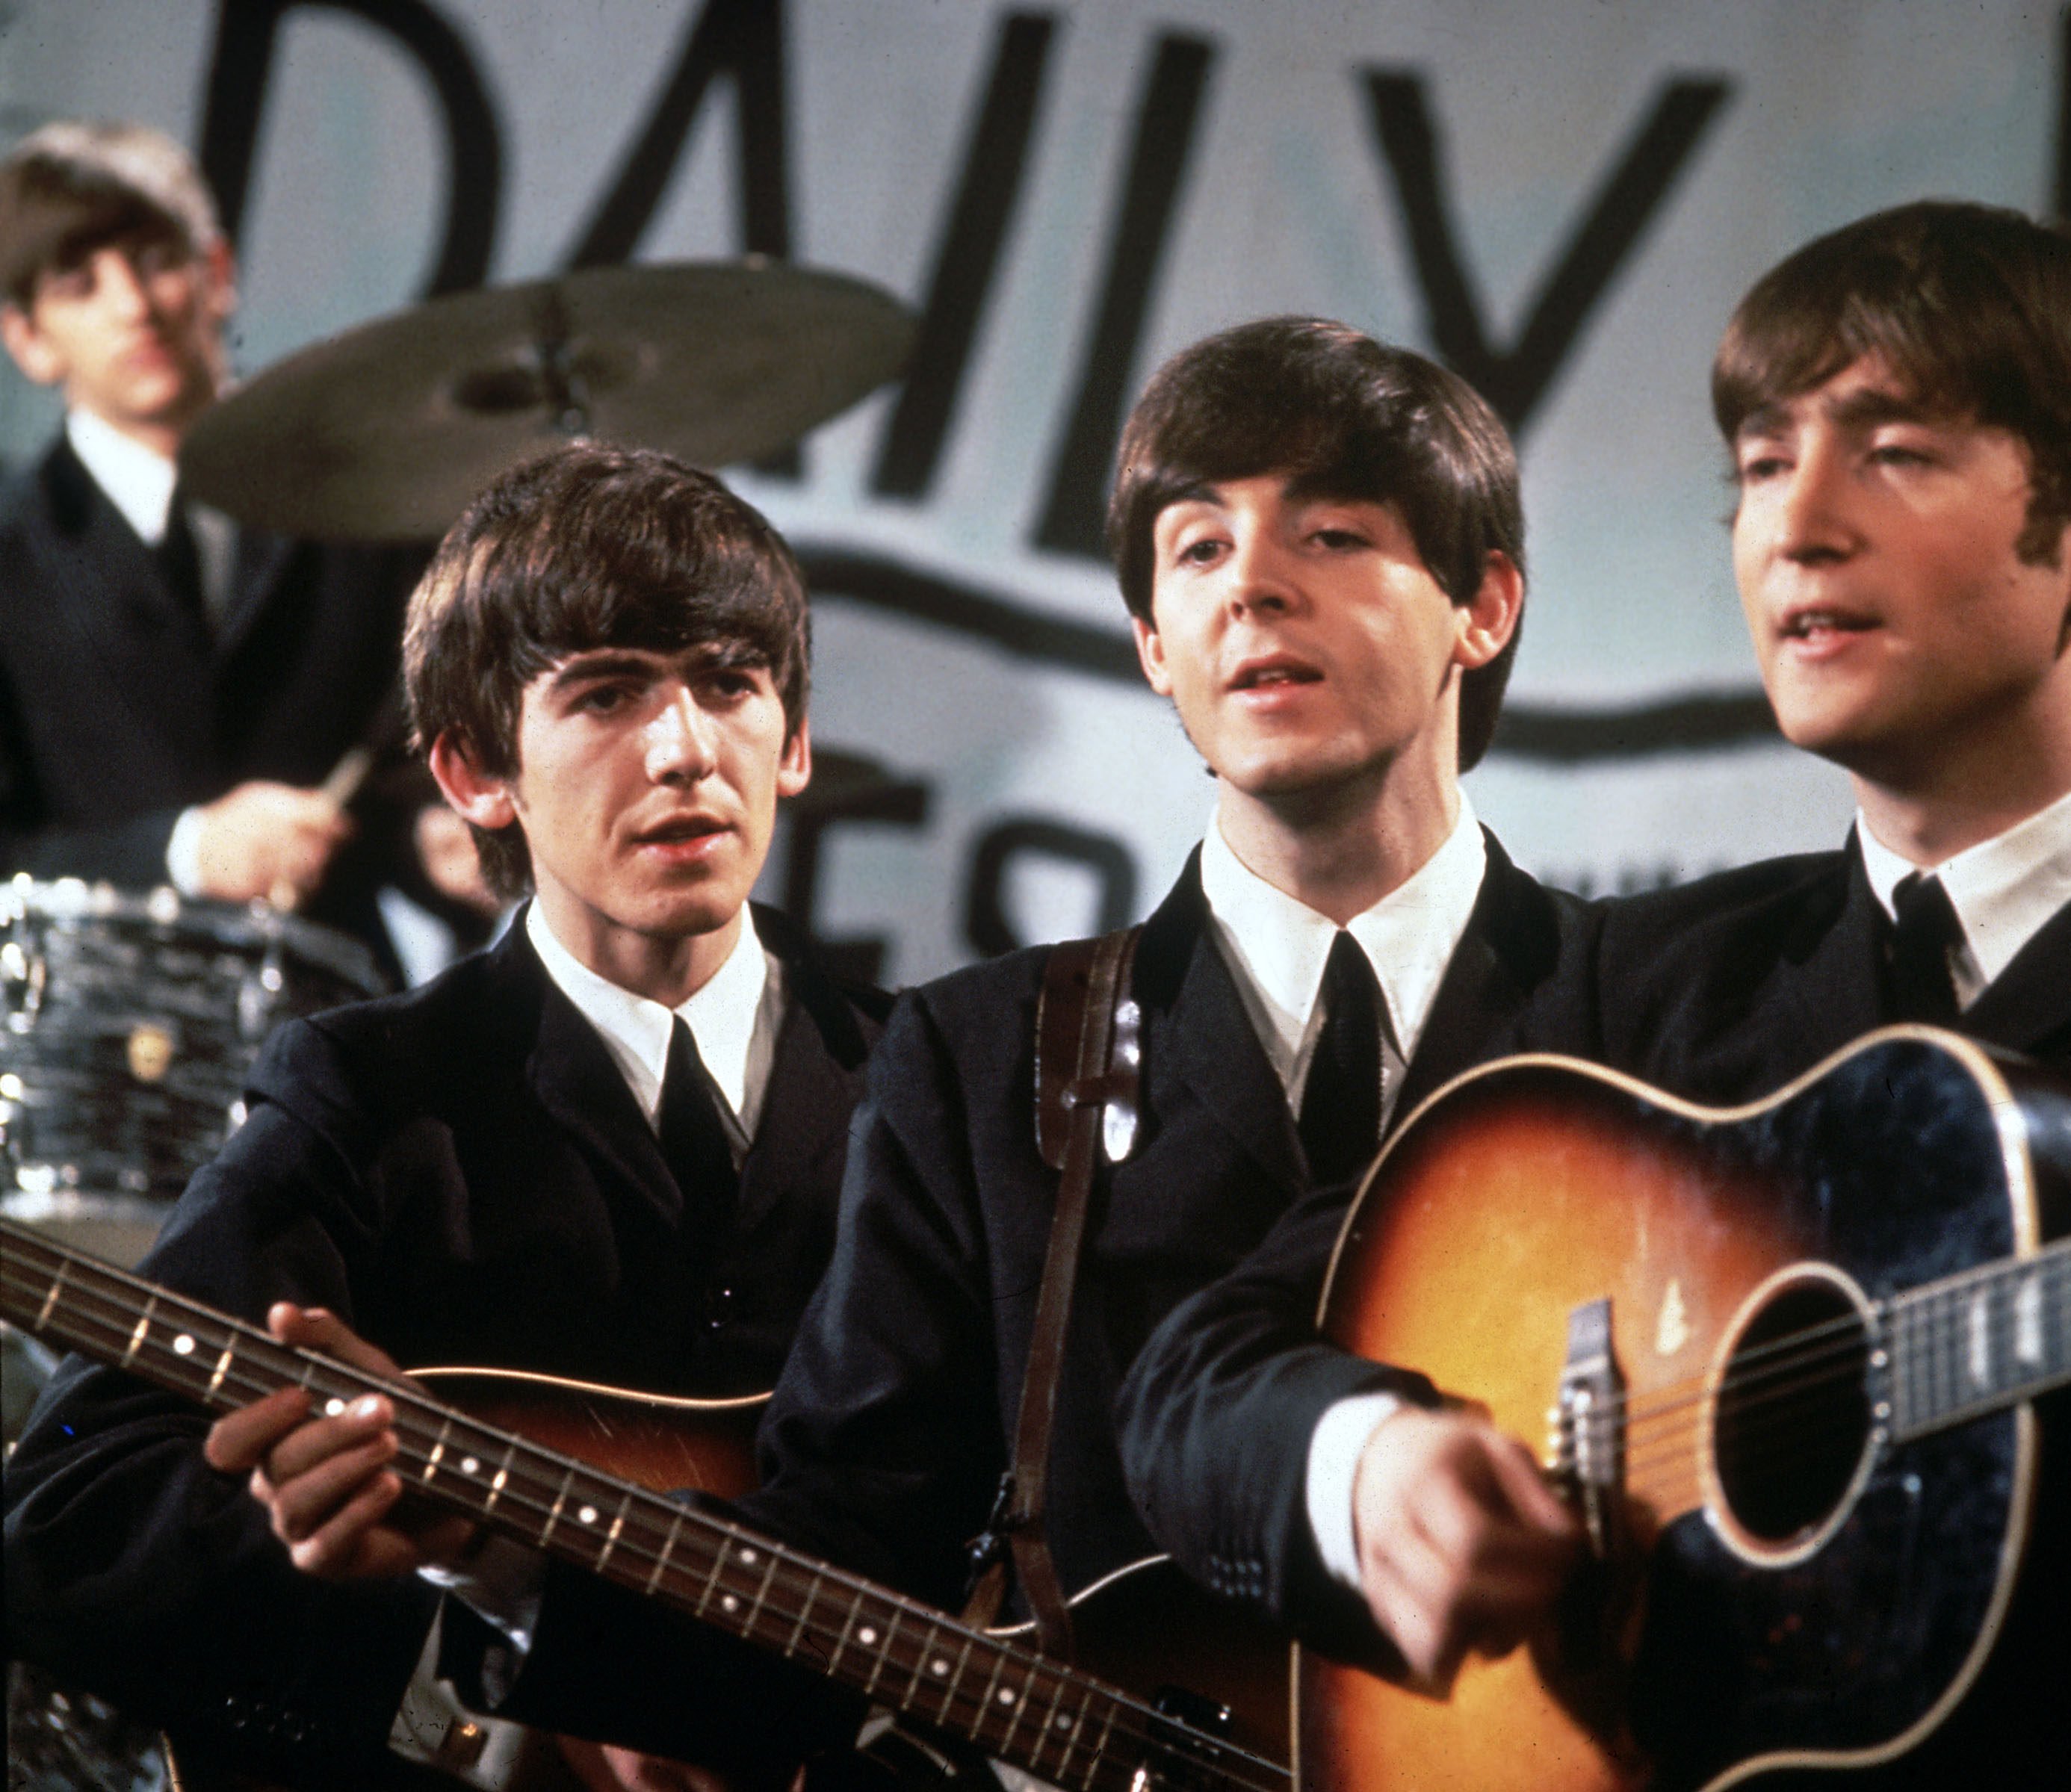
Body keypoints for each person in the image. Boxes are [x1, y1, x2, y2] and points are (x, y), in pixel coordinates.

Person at [212, 317, 1603, 1758]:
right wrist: (492, 1551)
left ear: (1484, 604)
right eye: (1196, 549)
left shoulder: (1655, 1007)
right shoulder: (984, 1055)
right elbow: (836, 1580)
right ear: (1149, 643)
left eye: (1330, 532)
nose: (1252, 584)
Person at [1116, 202, 2071, 1784]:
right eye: (1764, 464)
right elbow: (1198, 1370)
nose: (1798, 526)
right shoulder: (1637, 988)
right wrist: (1370, 1468)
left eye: (1895, 451)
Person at [2, 441, 887, 1789]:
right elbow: (66, 1512)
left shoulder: (933, 1077)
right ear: (474, 771)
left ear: (798, 736)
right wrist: (406, 1570)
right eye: (606, 694)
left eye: (729, 681)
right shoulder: (367, 1092)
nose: (687, 747)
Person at [0, 120, 448, 965]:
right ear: (27, 339)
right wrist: (186, 852)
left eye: (155, 260)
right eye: (79, 283)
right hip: (96, 1048)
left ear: (217, 271)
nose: (134, 306)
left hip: (333, 1021)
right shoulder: (9, 550)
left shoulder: (359, 505)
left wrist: (437, 845)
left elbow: (401, 772)